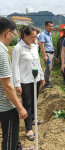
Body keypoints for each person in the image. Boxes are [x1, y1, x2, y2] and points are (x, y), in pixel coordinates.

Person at [0, 16, 34, 150]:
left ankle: (18, 148)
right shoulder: (2, 52)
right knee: (9, 134)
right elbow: (7, 85)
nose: (13, 37)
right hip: (5, 104)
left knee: (13, 132)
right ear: (6, 32)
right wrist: (20, 107)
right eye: (14, 34)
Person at [12, 26, 45, 141]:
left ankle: (33, 118)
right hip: (25, 80)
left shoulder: (35, 46)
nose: (35, 39)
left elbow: (38, 62)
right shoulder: (18, 48)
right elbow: (15, 66)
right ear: (25, 36)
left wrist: (41, 75)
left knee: (34, 100)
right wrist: (17, 83)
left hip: (35, 79)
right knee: (27, 103)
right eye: (33, 37)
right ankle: (28, 128)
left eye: (35, 36)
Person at [39, 21, 54, 88]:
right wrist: (45, 55)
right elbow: (42, 45)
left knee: (50, 68)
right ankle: (45, 83)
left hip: (51, 53)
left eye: (52, 26)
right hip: (47, 54)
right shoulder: (43, 34)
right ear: (46, 27)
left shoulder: (49, 34)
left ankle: (49, 82)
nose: (51, 28)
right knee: (48, 68)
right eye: (50, 26)